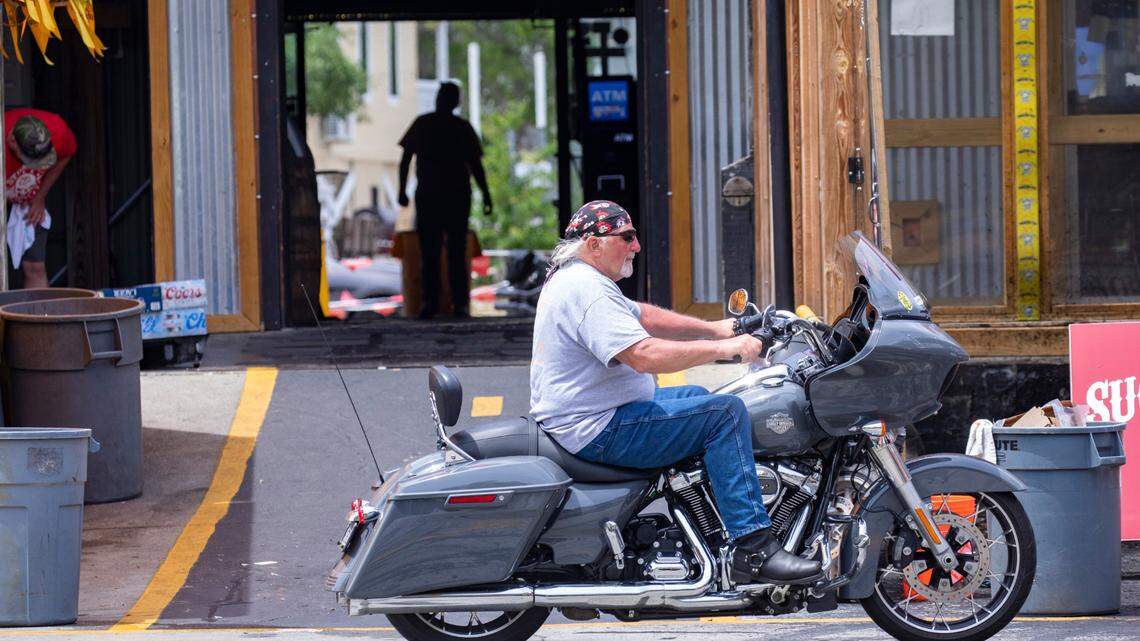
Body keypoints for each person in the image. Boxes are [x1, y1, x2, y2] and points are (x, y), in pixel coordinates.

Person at [529, 200, 822, 584]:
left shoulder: (581, 279)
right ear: (593, 242)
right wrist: (728, 350)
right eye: (627, 237)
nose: (636, 246)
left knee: (697, 395)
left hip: (600, 413)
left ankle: (706, 522)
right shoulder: (587, 291)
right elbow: (643, 354)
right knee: (725, 414)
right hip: (598, 427)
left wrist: (722, 328)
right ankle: (754, 547)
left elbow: (643, 316)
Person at [397, 82, 492, 319]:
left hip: (431, 196)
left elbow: (405, 159)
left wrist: (402, 191)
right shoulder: (461, 128)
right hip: (455, 197)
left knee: (431, 251)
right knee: (455, 252)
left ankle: (432, 303)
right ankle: (457, 304)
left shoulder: (423, 124)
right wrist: (486, 195)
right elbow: (476, 166)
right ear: (457, 102)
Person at [4, 108, 76, 289]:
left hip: (28, 201)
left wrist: (39, 196)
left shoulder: (57, 129)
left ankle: (40, 316)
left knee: (35, 266)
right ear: (13, 142)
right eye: (31, 161)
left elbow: (66, 154)